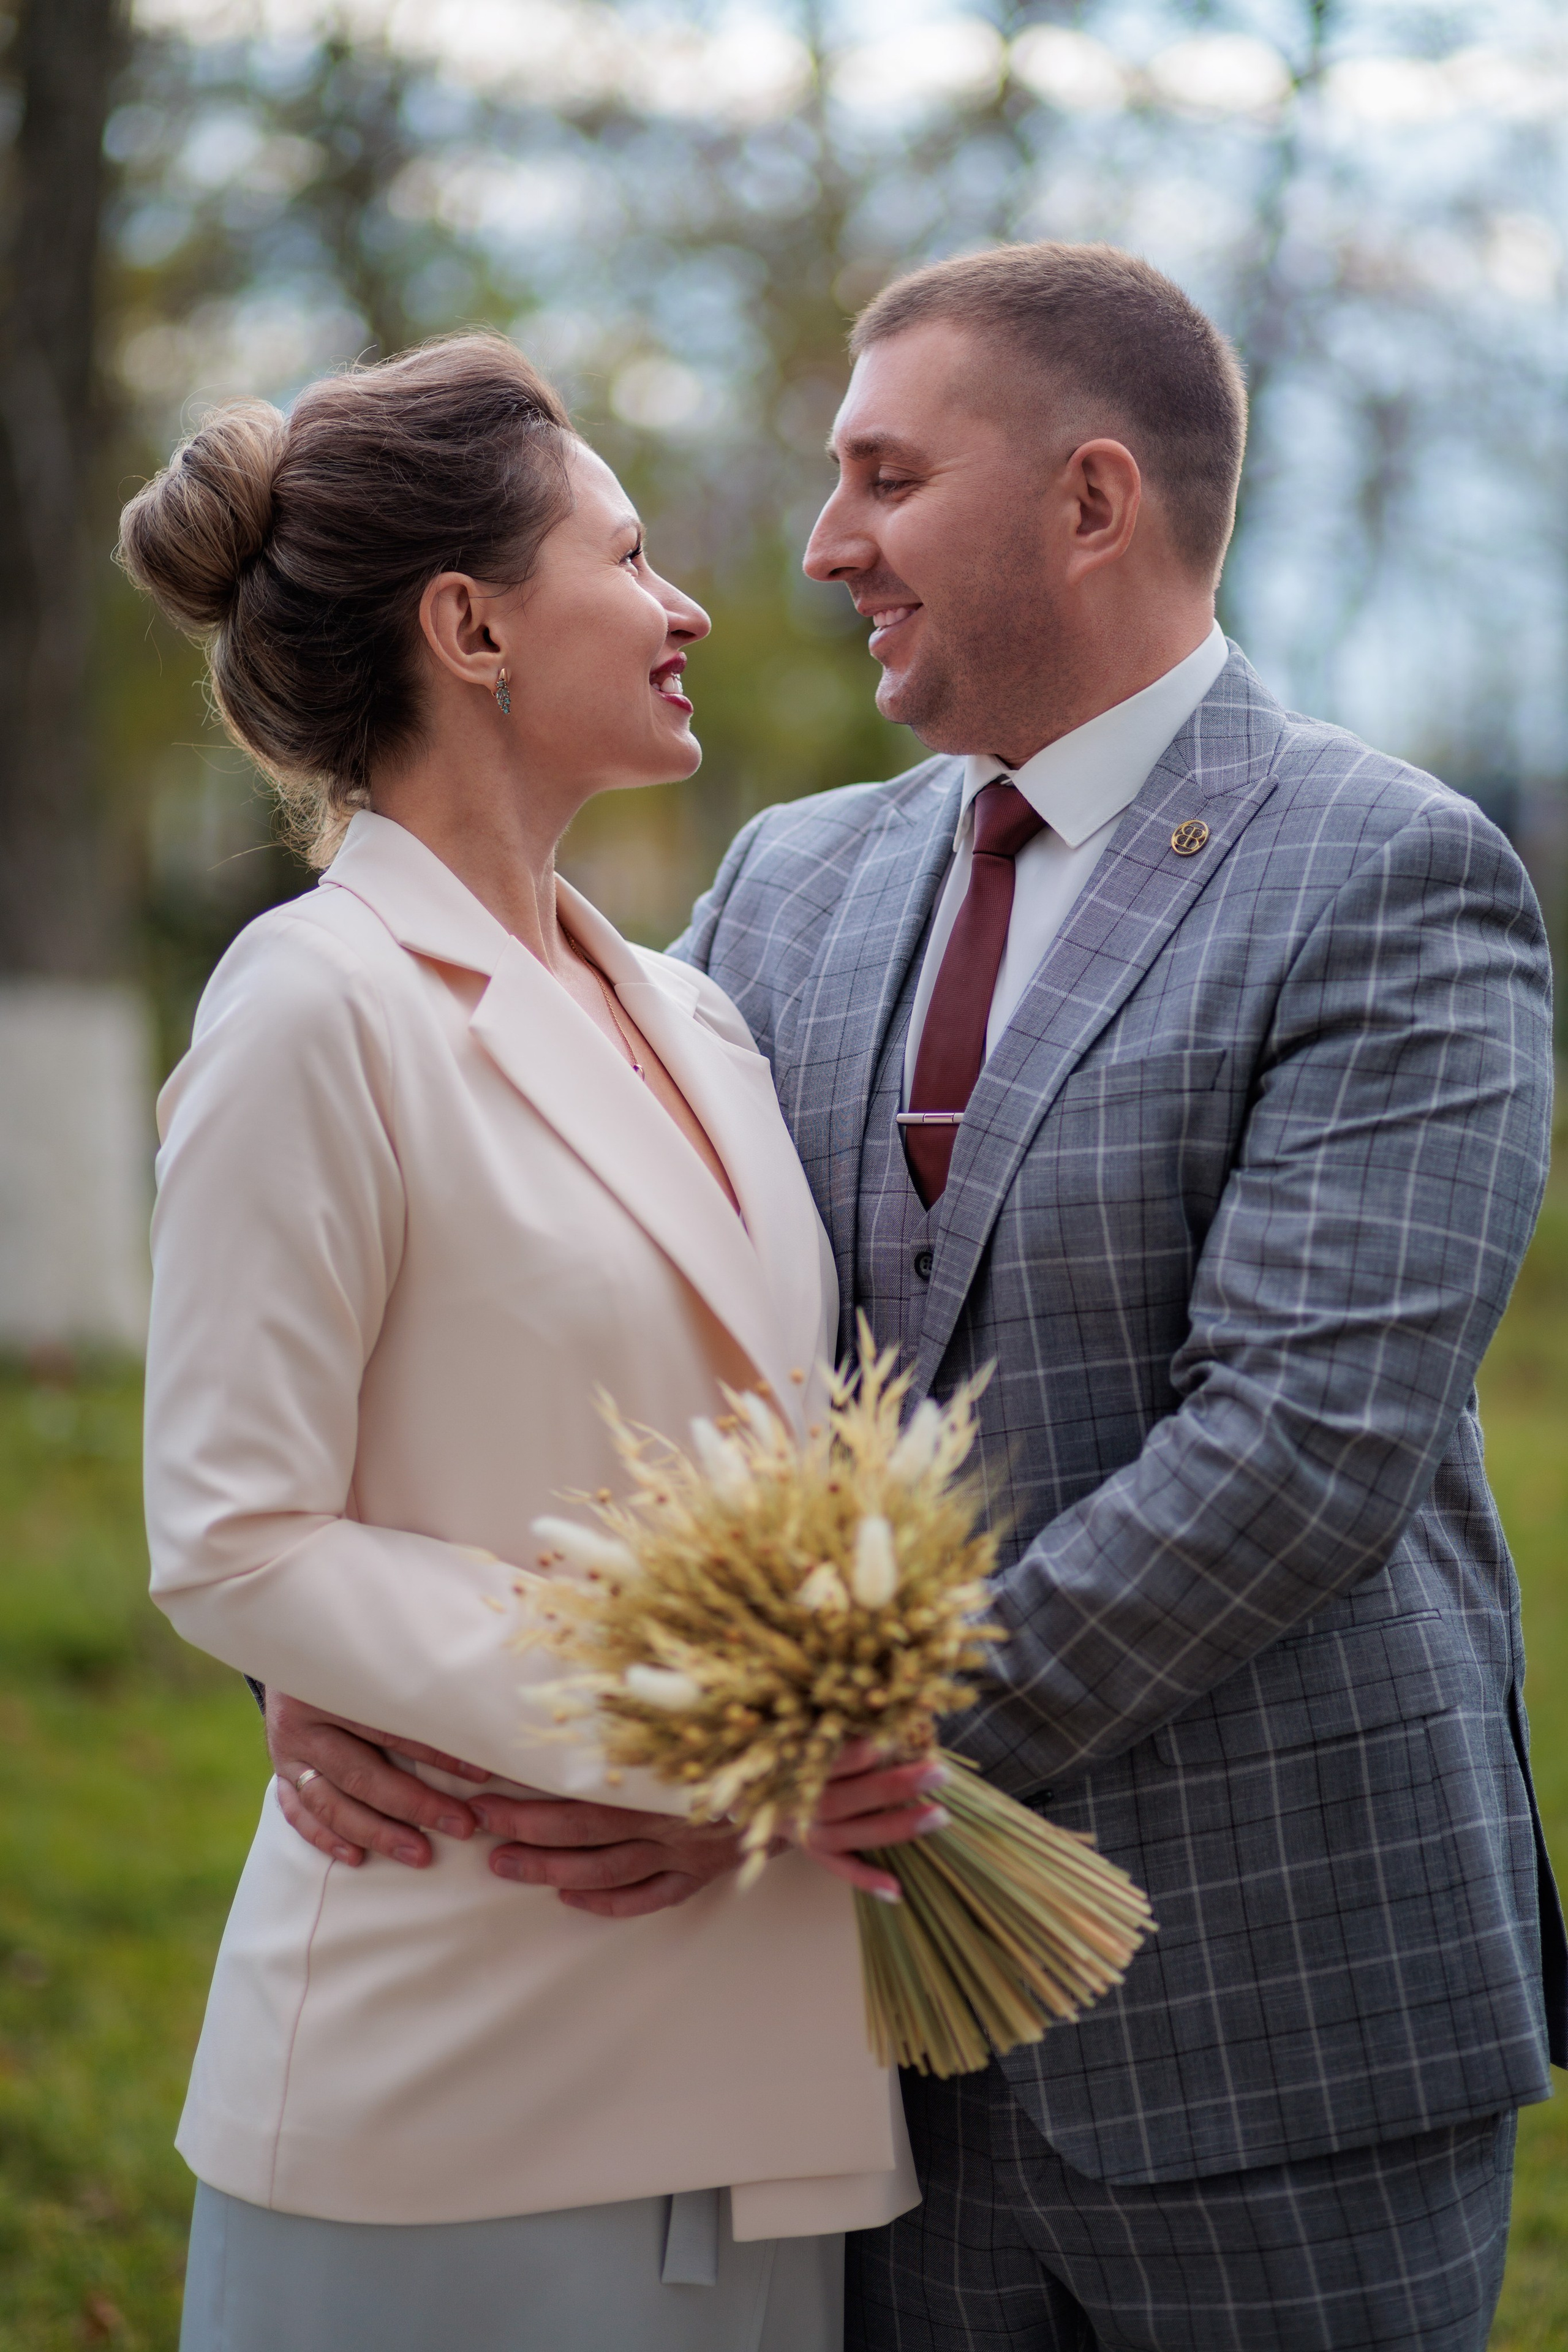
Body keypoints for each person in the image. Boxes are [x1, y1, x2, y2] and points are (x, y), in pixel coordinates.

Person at [269, 246, 1566, 2352]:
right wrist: (360, 1651)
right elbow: (588, 1313)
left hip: (1277, 2015)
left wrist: (805, 1760)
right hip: (857, 2049)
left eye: (886, 477)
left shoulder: (1390, 874)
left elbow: (1306, 1440)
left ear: (1091, 500)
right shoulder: (790, 882)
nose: (822, 544)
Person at [126, 331, 940, 2352]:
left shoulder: (697, 1014)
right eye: (631, 555)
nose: (688, 607)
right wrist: (703, 1731)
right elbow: (236, 1536)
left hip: (766, 2064)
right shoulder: (315, 1004)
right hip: (457, 2070)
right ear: (471, 627)